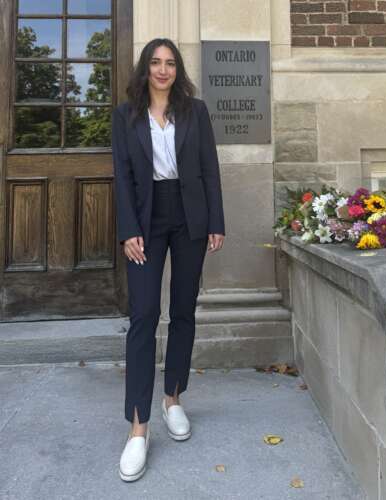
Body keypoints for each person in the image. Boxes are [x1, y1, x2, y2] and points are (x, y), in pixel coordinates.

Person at [112, 37, 225, 482]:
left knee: (183, 311)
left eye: (170, 63)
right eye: (156, 63)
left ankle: (173, 398)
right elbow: (121, 175)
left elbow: (209, 168)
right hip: (146, 217)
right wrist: (127, 230)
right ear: (146, 68)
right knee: (143, 315)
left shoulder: (195, 111)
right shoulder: (127, 115)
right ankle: (139, 428)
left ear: (178, 70)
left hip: (190, 216)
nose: (163, 70)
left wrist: (216, 220)